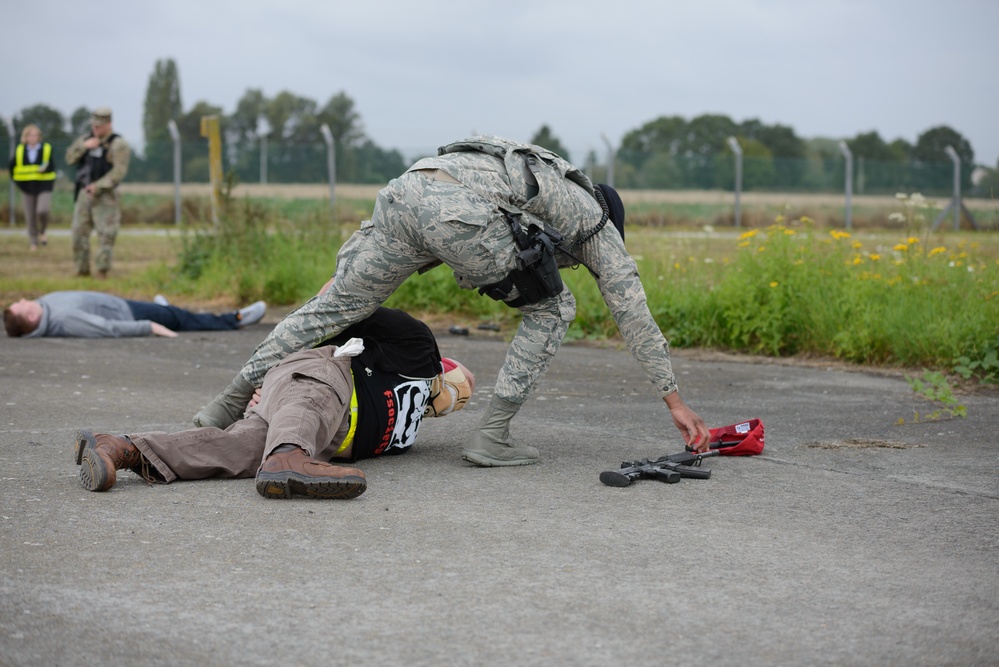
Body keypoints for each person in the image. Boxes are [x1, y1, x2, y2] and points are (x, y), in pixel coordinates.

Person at [193, 135, 710, 466]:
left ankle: (225, 404)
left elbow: (428, 222)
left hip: (408, 189)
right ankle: (493, 437)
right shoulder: (594, 220)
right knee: (554, 309)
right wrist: (675, 400)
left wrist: (341, 287)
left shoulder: (536, 179)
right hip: (457, 213)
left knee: (335, 307)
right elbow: (633, 314)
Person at [73, 308, 475, 499]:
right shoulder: (417, 347)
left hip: (310, 430)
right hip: (319, 375)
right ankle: (288, 456)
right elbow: (336, 305)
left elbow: (454, 395)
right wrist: (274, 376)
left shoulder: (410, 428)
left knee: (235, 448)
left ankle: (121, 448)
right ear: (445, 368)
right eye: (459, 384)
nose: (462, 392)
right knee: (321, 387)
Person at [4, 290, 266, 338]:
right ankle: (234, 319)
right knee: (181, 318)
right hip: (127, 314)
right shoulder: (63, 320)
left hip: (122, 304)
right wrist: (148, 327)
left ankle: (164, 309)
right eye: (22, 306)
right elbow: (106, 327)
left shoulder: (43, 309)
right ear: (30, 319)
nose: (25, 299)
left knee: (170, 312)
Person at [65, 107, 130, 278]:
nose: (95, 129)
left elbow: (119, 171)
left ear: (109, 124)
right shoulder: (85, 140)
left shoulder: (118, 144)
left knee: (106, 235)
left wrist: (99, 186)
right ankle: (82, 270)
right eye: (93, 126)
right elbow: (70, 158)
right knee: (78, 233)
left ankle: (102, 271)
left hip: (106, 196)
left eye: (99, 126)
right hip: (84, 193)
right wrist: (83, 146)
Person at [8, 124, 56, 251]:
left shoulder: (46, 149)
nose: (32, 138)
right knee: (30, 215)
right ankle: (33, 241)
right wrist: (18, 183)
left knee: (42, 210)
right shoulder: (20, 150)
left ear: (39, 137)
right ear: (26, 137)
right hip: (27, 187)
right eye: (30, 135)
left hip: (44, 185)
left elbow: (52, 166)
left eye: (34, 135)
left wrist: (45, 169)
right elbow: (12, 168)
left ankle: (43, 231)